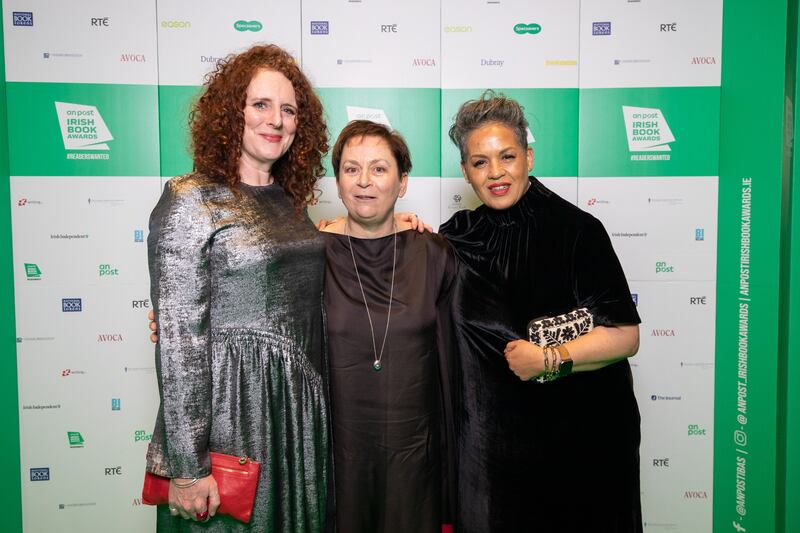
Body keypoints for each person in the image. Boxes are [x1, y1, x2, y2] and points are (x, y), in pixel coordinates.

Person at [145, 44, 330, 532]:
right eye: (261, 105)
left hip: (292, 408)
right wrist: (188, 468)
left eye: (289, 110)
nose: (276, 120)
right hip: (231, 409)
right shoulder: (191, 198)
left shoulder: (289, 201)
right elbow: (181, 340)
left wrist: (394, 224)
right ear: (233, 113)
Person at [439, 92, 642, 532]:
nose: (495, 172)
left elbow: (626, 335)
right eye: (480, 162)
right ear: (465, 171)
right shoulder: (458, 238)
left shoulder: (578, 231)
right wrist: (342, 230)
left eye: (507, 156)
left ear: (528, 157)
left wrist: (549, 358)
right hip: (496, 454)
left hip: (581, 447)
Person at [321, 120, 457, 533]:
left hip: (414, 461)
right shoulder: (311, 256)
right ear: (338, 182)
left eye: (379, 169)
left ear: (402, 183)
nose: (364, 182)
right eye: (351, 169)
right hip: (337, 458)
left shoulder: (435, 254)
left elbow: (466, 349)